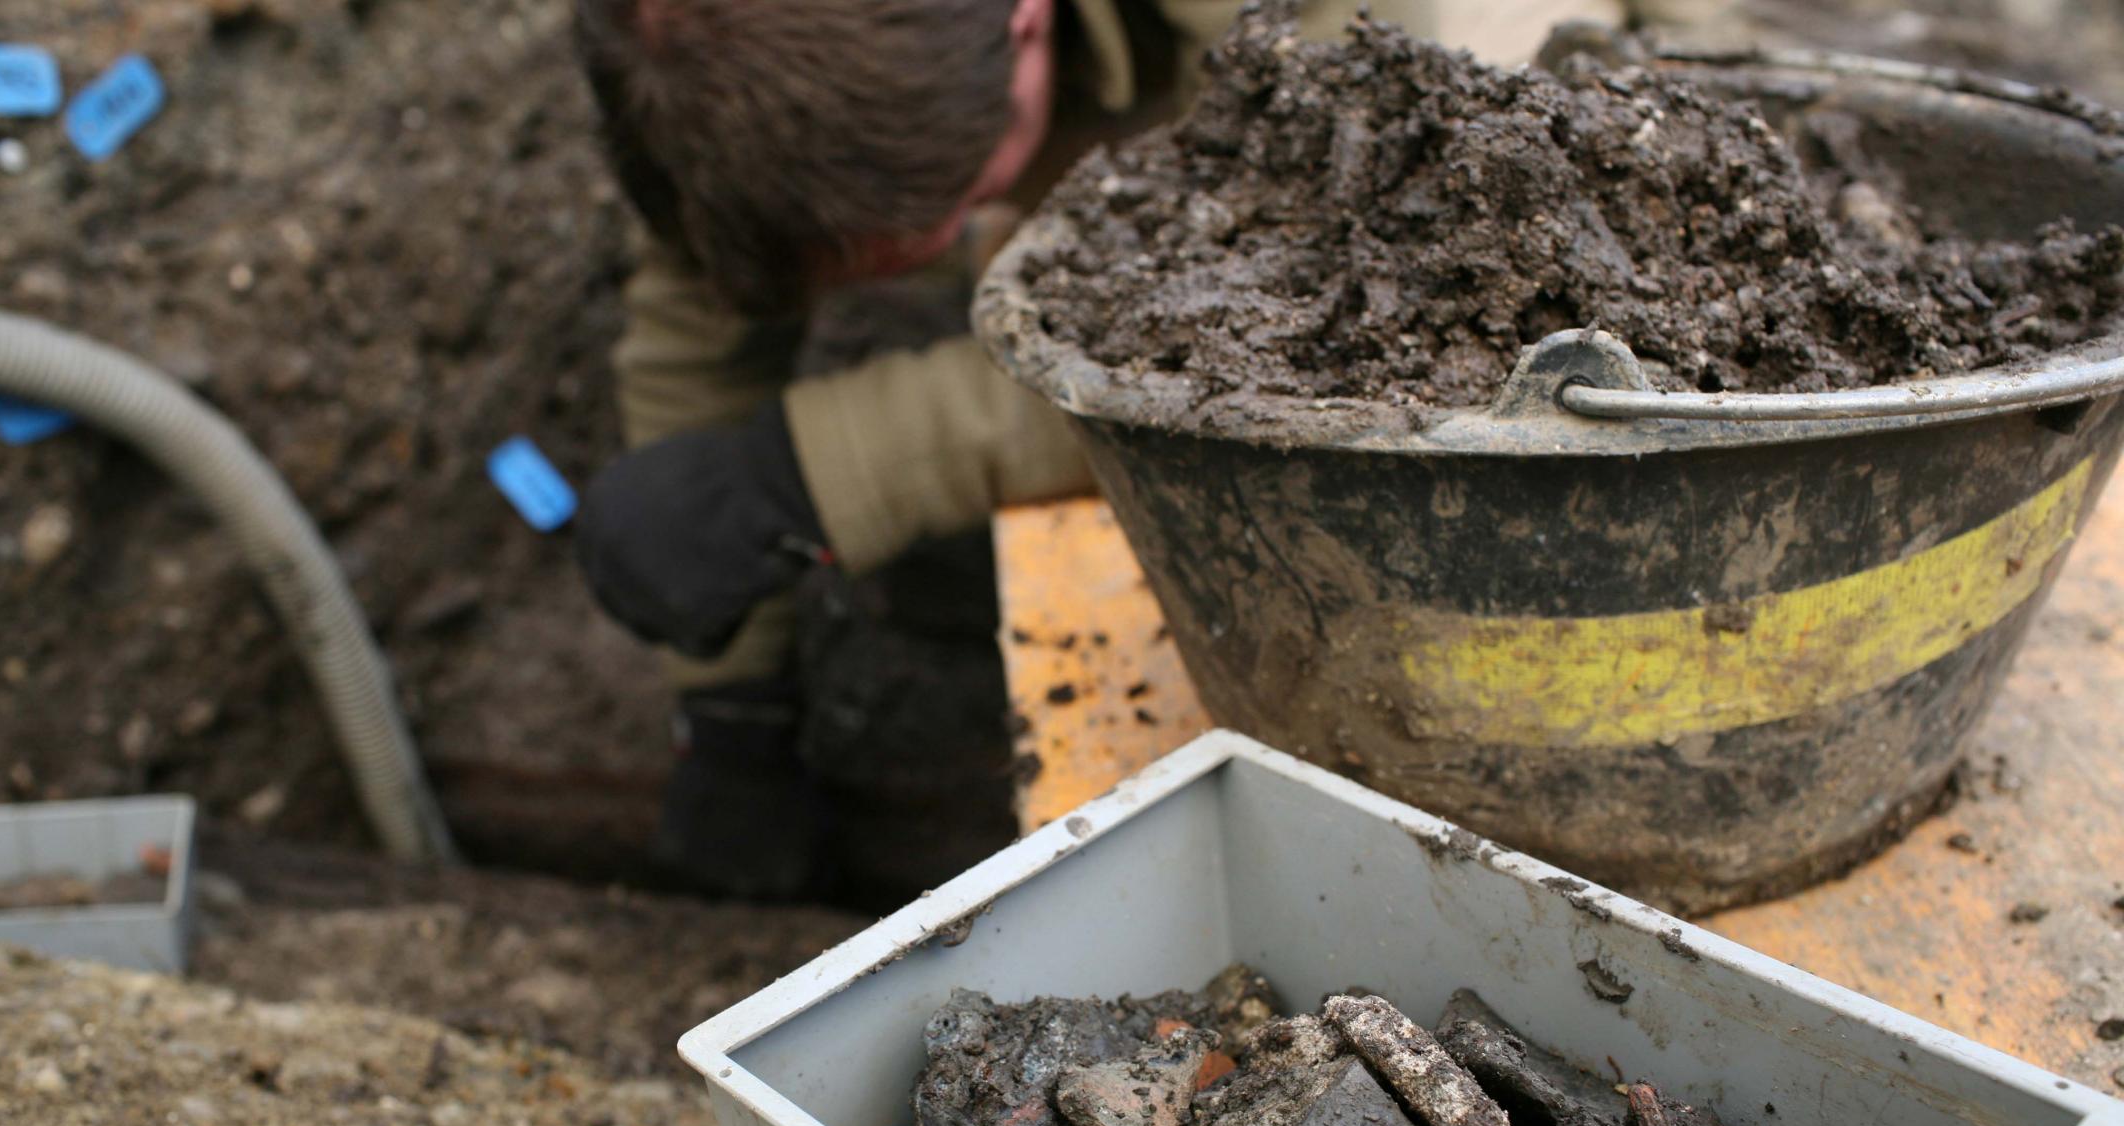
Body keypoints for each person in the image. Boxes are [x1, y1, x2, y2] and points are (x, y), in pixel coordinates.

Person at [569, 0, 1621, 897]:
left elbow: (1337, 327)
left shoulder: (1371, 44)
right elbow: (699, 323)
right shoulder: (706, 57)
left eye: (954, 208)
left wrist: (817, 474)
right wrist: (728, 705)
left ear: (1026, 24)